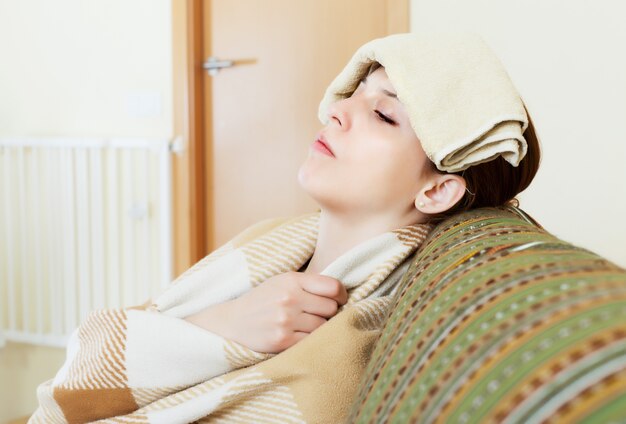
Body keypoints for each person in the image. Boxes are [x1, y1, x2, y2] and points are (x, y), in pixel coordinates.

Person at [30, 33, 540, 423]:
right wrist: (227, 324)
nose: (337, 110)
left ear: (435, 190)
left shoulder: (357, 336)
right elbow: (82, 367)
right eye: (355, 93)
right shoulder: (271, 238)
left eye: (383, 114)